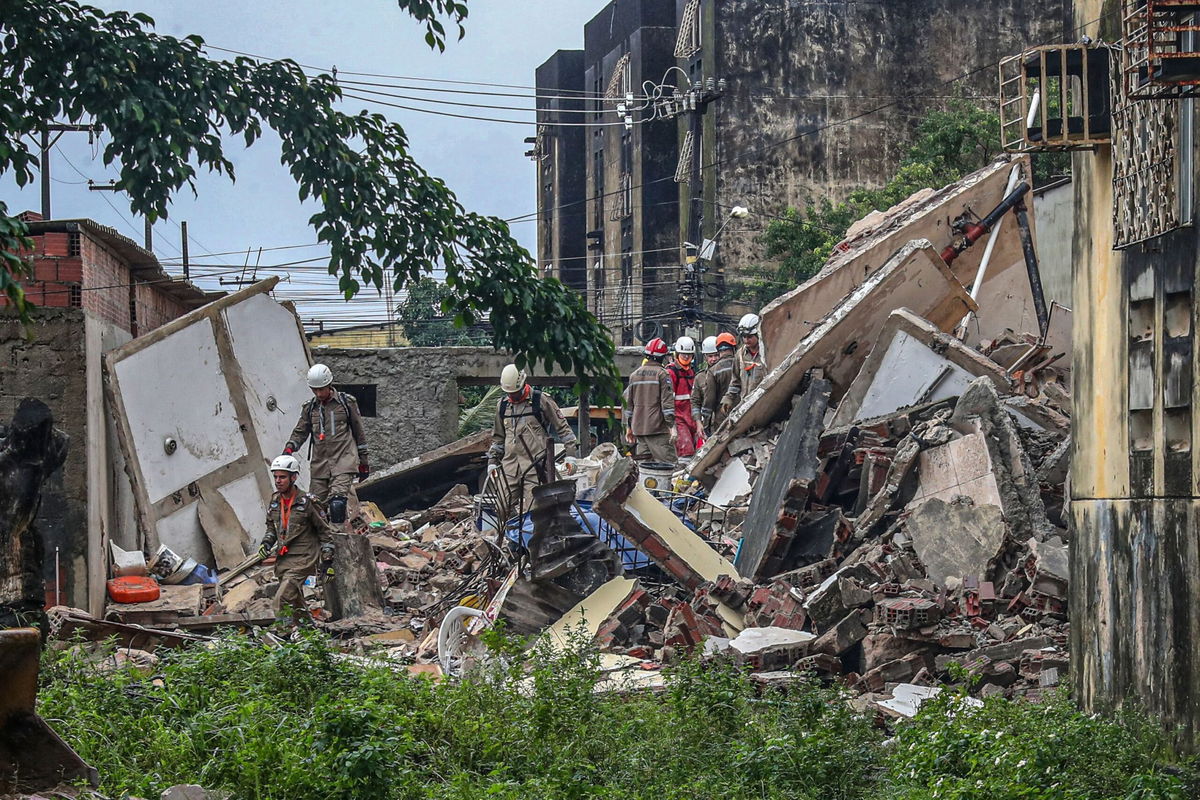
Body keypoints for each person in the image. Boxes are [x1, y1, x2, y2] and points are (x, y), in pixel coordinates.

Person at [282, 363, 369, 527]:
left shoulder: (346, 403)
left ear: (329, 385)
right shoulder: (310, 408)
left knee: (337, 504)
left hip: (344, 461)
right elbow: (301, 431)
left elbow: (359, 432)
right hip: (320, 465)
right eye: (315, 390)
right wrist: (289, 449)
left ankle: (338, 541)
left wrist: (364, 461)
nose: (319, 393)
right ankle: (321, 546)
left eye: (321, 389)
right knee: (314, 507)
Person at [486, 364, 577, 516]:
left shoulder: (540, 401)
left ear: (522, 384)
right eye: (509, 393)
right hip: (510, 467)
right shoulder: (502, 406)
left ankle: (529, 538)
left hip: (536, 467)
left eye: (515, 393)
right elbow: (498, 438)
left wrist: (571, 455)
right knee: (501, 506)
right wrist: (492, 462)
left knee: (533, 513)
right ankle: (514, 535)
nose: (512, 396)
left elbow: (564, 430)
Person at [257, 454, 336, 618]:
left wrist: (327, 561)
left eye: (283, 477)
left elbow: (325, 531)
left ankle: (284, 635)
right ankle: (308, 632)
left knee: (281, 598)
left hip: (304, 558)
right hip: (283, 559)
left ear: (293, 478)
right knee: (295, 601)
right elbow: (272, 528)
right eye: (276, 477)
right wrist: (266, 543)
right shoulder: (274, 501)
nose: (278, 481)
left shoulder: (308, 501)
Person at [623, 337, 677, 464]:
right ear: (662, 357)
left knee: (645, 472)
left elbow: (628, 406)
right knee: (670, 468)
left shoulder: (634, 375)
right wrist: (672, 427)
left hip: (639, 432)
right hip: (658, 431)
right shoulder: (663, 374)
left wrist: (628, 428)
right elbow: (667, 405)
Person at [721, 313, 767, 417]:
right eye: (744, 337)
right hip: (744, 406)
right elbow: (735, 381)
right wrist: (728, 398)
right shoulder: (740, 355)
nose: (746, 340)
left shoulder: (767, 354)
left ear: (758, 334)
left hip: (763, 407)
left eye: (750, 336)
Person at [692, 332, 736, 437]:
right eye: (710, 356)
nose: (714, 359)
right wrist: (699, 422)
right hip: (714, 423)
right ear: (705, 357)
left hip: (721, 421)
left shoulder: (732, 366)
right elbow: (695, 402)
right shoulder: (700, 378)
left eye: (716, 355)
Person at [666, 335, 699, 458]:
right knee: (686, 450)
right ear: (677, 354)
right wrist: (671, 425)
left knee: (699, 450)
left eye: (689, 355)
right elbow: (667, 400)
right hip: (679, 417)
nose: (686, 357)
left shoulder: (691, 372)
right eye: (683, 355)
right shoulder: (671, 373)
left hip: (691, 417)